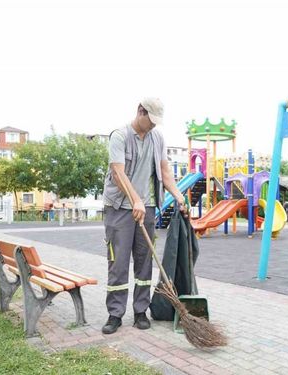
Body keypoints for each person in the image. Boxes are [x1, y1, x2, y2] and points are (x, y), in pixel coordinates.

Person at [101, 97, 186, 334]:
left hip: (146, 209)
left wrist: (179, 196)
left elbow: (165, 172)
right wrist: (134, 199)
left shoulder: (157, 138)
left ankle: (141, 311)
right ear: (140, 111)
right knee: (118, 263)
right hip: (119, 208)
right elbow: (117, 172)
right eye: (151, 120)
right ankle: (115, 314)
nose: (153, 126)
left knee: (144, 262)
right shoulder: (119, 136)